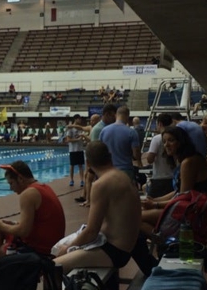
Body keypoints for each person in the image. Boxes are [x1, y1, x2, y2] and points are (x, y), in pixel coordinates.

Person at [53, 141, 142, 274]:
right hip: (126, 246)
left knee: (53, 267)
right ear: (110, 156)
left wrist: (67, 250)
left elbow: (91, 231)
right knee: (62, 247)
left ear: (88, 162)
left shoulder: (101, 184)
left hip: (114, 251)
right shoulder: (123, 176)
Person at [140, 126, 207, 237]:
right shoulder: (186, 160)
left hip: (190, 212)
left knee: (136, 218)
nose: (166, 145)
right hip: (188, 208)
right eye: (164, 142)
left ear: (180, 142)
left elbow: (183, 197)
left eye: (171, 140)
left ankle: (164, 243)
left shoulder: (188, 163)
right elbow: (178, 191)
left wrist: (155, 204)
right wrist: (154, 199)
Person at [99, 106, 142, 183]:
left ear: (116, 115)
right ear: (127, 116)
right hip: (125, 170)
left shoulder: (104, 131)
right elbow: (136, 154)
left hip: (108, 170)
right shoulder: (131, 132)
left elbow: (100, 151)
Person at [146, 113, 175, 198]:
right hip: (172, 177)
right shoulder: (175, 137)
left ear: (160, 124)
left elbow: (150, 159)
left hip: (160, 178)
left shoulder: (157, 139)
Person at [64, 114, 86, 187]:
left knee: (81, 165)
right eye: (79, 119)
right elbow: (68, 139)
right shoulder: (70, 129)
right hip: (73, 150)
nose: (80, 120)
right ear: (76, 119)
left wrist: (82, 139)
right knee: (72, 165)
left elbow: (83, 137)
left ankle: (82, 180)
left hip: (80, 149)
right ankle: (71, 180)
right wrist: (77, 139)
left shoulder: (80, 128)